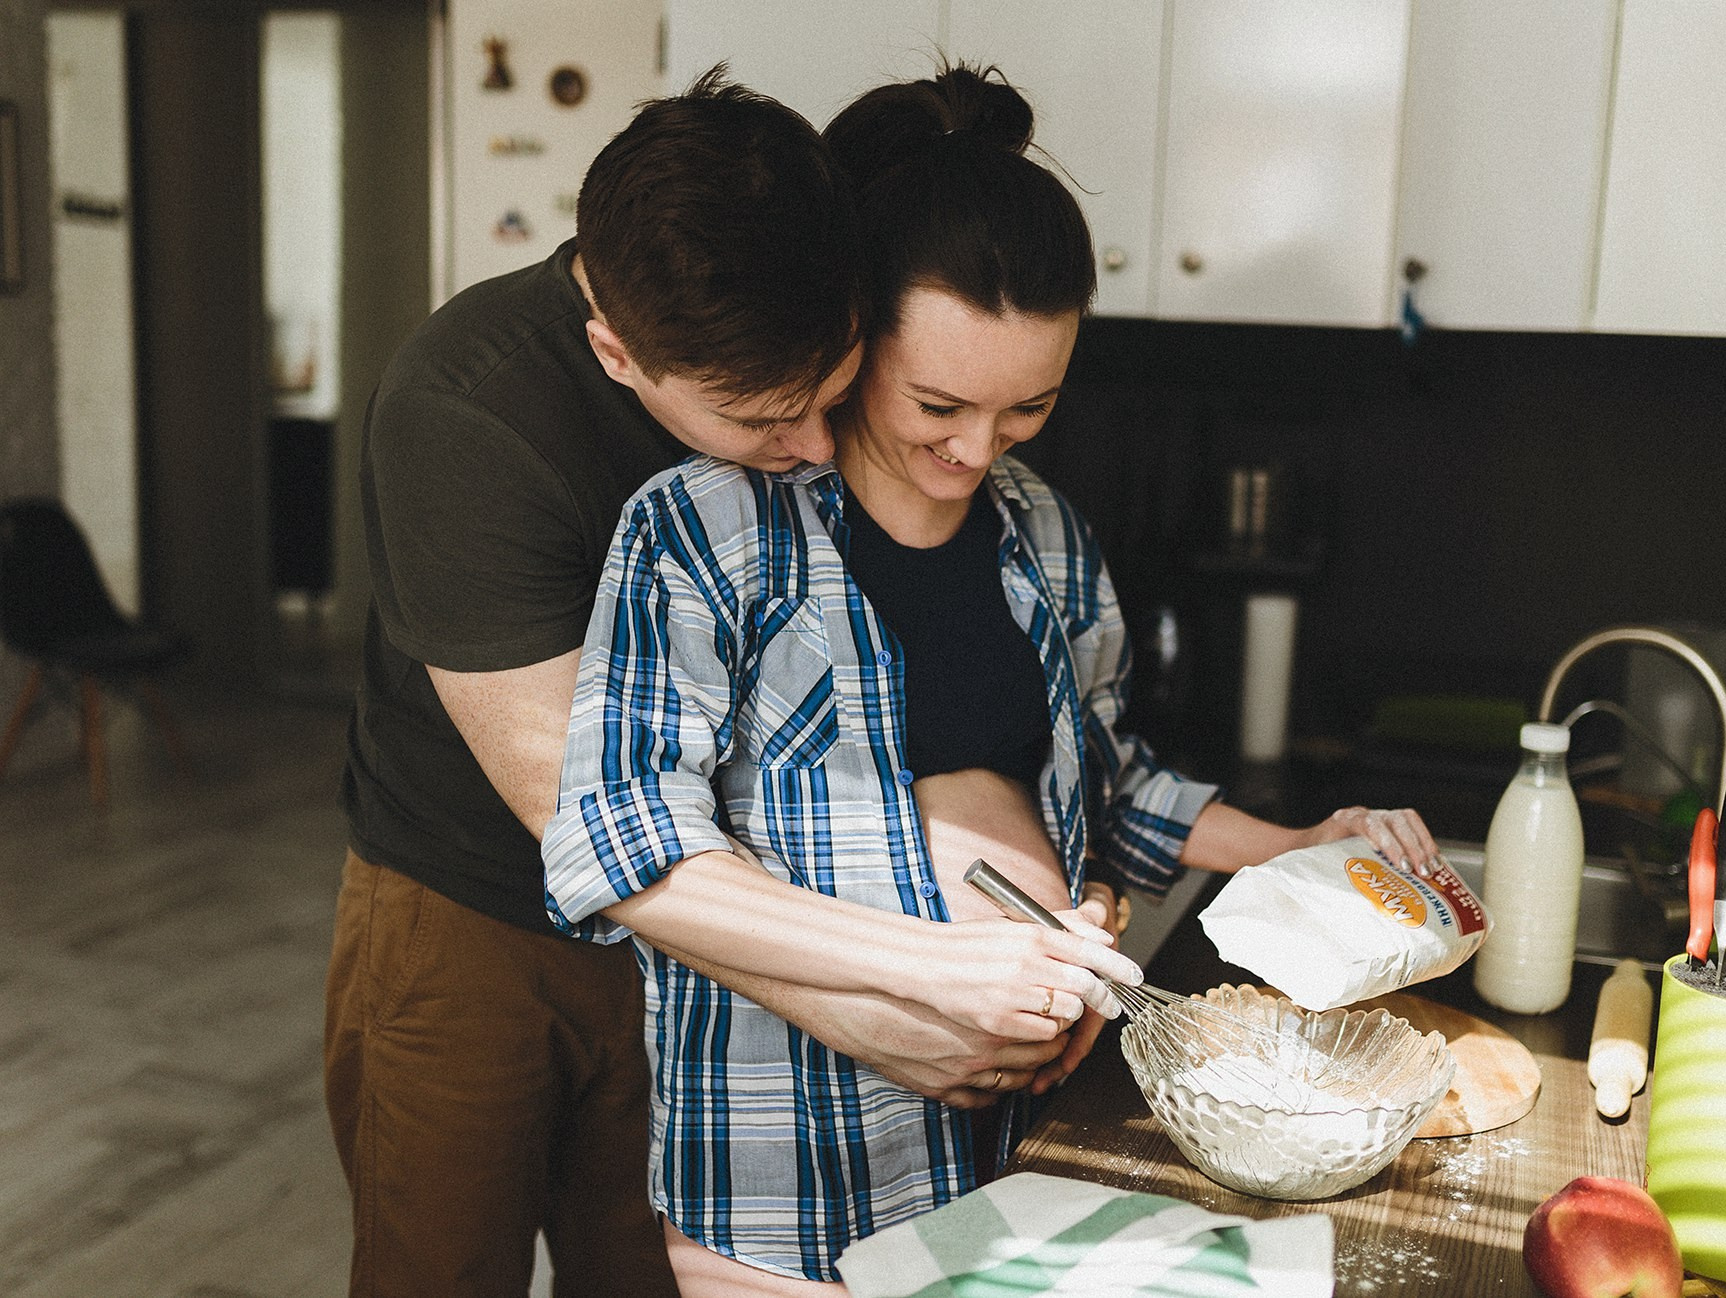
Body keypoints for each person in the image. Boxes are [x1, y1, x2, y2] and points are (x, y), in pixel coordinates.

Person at [541, 64, 1442, 1295]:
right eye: (939, 404)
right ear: (858, 340)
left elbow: (1120, 788)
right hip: (797, 1178)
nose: (976, 449)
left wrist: (1295, 841)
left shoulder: (1047, 534)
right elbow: (621, 845)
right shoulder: (708, 532)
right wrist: (947, 966)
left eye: (1028, 409)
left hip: (1022, 1147)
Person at [323, 68, 1007, 1298]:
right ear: (614, 351)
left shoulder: (800, 291)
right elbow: (580, 816)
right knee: (440, 1269)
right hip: (472, 916)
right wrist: (871, 1006)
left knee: (656, 1275)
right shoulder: (468, 413)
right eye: (763, 422)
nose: (813, 449)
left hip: (726, 918)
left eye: (834, 396)